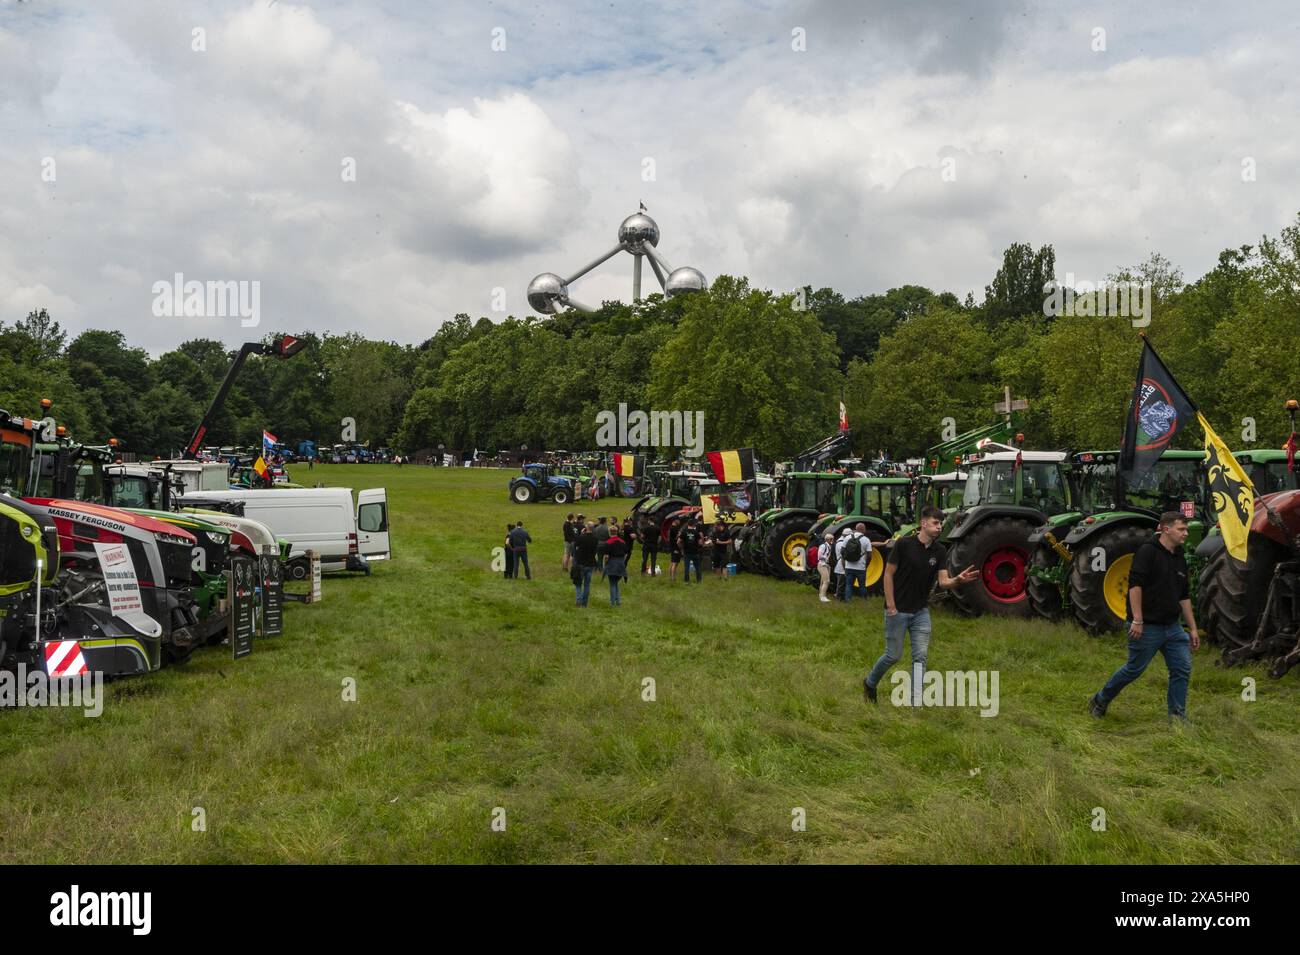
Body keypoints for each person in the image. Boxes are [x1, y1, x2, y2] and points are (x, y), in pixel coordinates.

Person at [1089, 512, 1199, 721]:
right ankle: (1100, 699)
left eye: (1186, 529)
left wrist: (1192, 628)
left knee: (1182, 669)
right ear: (1166, 529)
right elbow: (1135, 586)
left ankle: (1177, 718)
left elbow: (1184, 596)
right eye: (1181, 529)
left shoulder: (1179, 557)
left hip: (1173, 628)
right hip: (1147, 627)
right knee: (1133, 670)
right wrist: (1137, 620)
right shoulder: (1147, 552)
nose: (1186, 533)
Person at [863, 506, 978, 704]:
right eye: (935, 523)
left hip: (920, 612)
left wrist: (958, 579)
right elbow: (888, 574)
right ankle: (870, 683)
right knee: (893, 656)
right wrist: (891, 605)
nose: (939, 527)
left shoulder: (940, 551)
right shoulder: (903, 545)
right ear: (923, 523)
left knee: (920, 658)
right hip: (897, 610)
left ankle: (916, 701)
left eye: (941, 523)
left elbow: (943, 582)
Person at [839, 523, 871, 602]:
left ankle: (848, 600)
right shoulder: (866, 540)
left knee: (849, 585)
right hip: (861, 567)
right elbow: (869, 555)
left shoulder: (847, 538)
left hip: (849, 566)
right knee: (862, 585)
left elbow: (842, 551)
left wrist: (846, 562)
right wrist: (866, 565)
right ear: (863, 530)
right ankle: (864, 601)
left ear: (856, 529)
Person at [599, 524, 630, 606]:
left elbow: (606, 556)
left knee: (612, 584)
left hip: (612, 563)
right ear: (617, 532)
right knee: (616, 583)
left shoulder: (608, 542)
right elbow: (626, 554)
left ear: (610, 533)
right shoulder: (623, 542)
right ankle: (618, 601)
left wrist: (605, 564)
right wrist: (622, 561)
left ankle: (612, 602)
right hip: (621, 564)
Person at [571, 522, 598, 607]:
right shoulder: (595, 539)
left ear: (586, 528)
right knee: (587, 584)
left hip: (581, 563)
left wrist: (581, 534)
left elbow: (575, 545)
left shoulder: (581, 537)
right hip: (590, 564)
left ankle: (578, 601)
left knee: (578, 583)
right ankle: (584, 603)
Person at [679, 516, 704, 584]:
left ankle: (686, 581)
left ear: (688, 524)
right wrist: (702, 540)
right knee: (697, 567)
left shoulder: (684, 532)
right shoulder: (696, 533)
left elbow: (678, 541)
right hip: (695, 552)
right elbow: (700, 543)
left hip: (686, 552)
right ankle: (699, 580)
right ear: (694, 525)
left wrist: (681, 547)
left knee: (686, 567)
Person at [817, 531, 835, 603]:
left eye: (832, 539)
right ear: (827, 539)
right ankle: (823, 597)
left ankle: (821, 595)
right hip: (822, 564)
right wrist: (826, 558)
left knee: (822, 581)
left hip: (825, 564)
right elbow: (819, 555)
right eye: (831, 539)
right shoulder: (823, 546)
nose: (832, 541)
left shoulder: (828, 546)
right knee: (826, 581)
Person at [667, 517, 684, 582]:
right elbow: (678, 537)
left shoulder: (671, 528)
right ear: (675, 520)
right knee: (675, 562)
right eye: (678, 520)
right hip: (675, 547)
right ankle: (673, 577)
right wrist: (680, 534)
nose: (679, 521)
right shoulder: (674, 528)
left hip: (672, 547)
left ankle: (670, 576)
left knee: (672, 562)